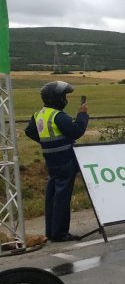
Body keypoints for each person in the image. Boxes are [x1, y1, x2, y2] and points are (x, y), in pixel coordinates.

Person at [24, 81, 88, 241]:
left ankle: (51, 231)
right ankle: (60, 233)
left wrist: (46, 143)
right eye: (64, 96)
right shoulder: (58, 116)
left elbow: (29, 131)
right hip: (65, 160)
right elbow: (76, 132)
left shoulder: (39, 115)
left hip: (51, 161)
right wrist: (82, 114)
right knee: (62, 197)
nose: (66, 99)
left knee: (52, 195)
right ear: (57, 98)